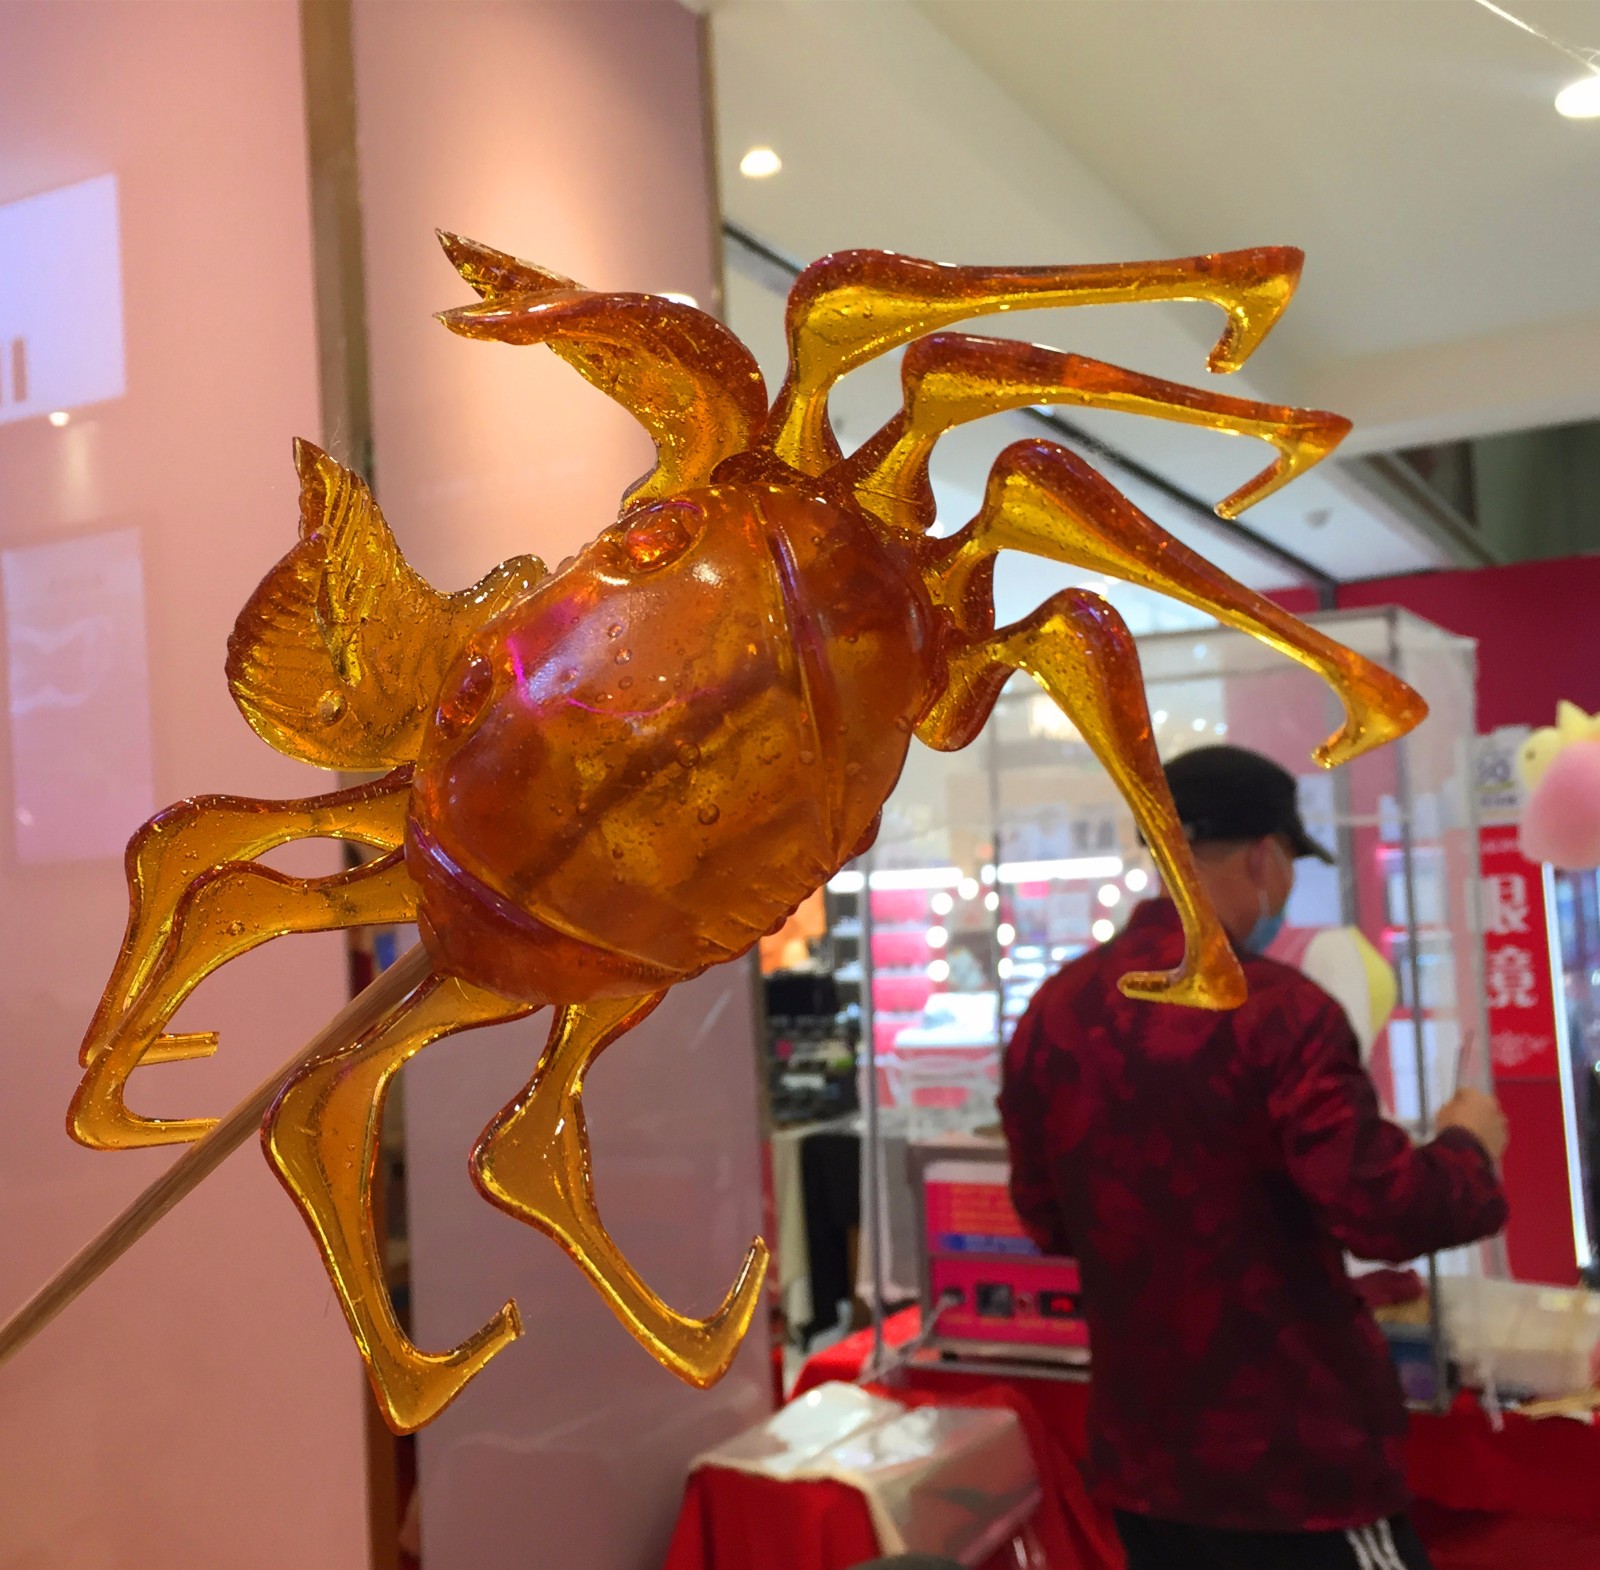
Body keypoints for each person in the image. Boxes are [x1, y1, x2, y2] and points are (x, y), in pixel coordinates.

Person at [999, 745, 1508, 1570]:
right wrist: (1468, 1146)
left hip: (1146, 1455)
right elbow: (1382, 1208)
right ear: (1266, 856)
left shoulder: (1054, 1012)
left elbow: (1047, 1217)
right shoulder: (1279, 1010)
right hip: (1296, 1456)